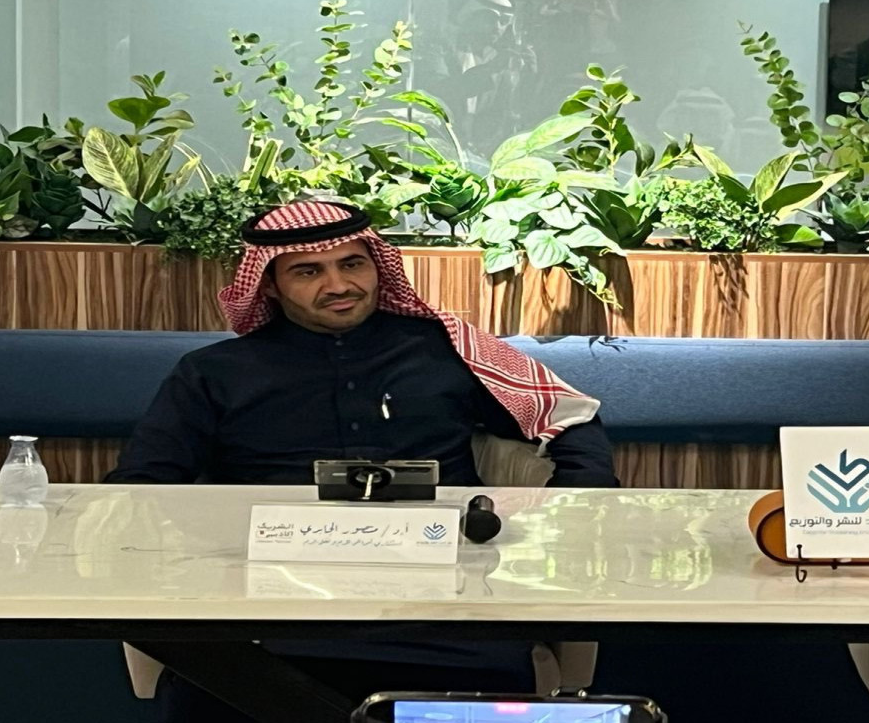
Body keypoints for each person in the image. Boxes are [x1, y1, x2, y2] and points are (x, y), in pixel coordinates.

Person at [107, 200, 616, 721]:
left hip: (443, 597)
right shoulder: (213, 373)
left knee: (493, 673)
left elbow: (568, 418)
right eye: (308, 272)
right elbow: (143, 480)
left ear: (377, 265)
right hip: (268, 601)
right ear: (269, 285)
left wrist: (569, 505)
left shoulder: (448, 350)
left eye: (352, 264)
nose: (338, 285)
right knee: (211, 677)